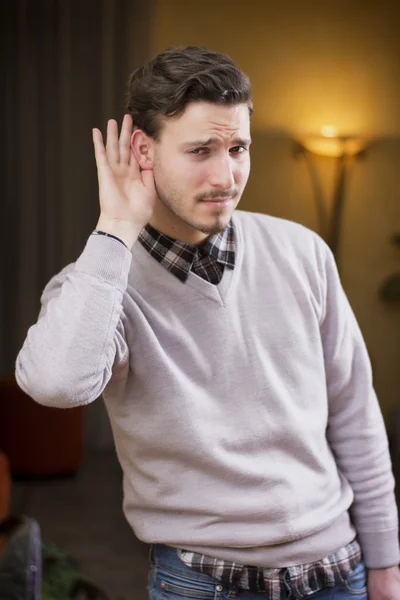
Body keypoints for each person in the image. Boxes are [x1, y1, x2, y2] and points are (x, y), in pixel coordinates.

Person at [15, 46, 400, 600]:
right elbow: (55, 384)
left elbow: (355, 415)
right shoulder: (98, 284)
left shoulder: (304, 252)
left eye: (238, 148)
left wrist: (385, 562)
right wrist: (117, 228)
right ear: (142, 151)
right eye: (201, 150)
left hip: (339, 573)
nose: (226, 175)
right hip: (203, 583)